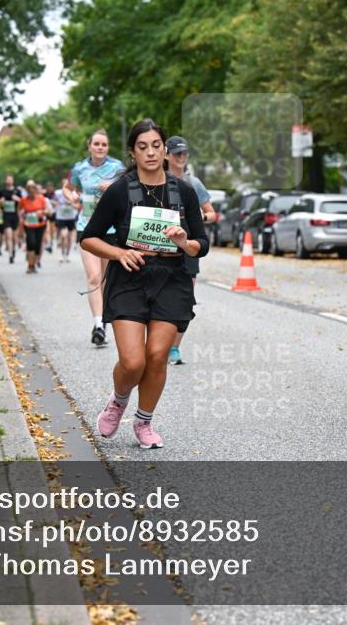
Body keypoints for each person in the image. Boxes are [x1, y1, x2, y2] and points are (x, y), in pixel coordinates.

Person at [81, 119, 209, 449]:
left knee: (157, 355)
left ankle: (144, 422)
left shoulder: (184, 191)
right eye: (142, 147)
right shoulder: (121, 190)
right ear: (133, 153)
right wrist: (119, 253)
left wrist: (183, 241)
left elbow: (201, 243)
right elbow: (89, 238)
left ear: (165, 150)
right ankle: (119, 400)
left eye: (156, 145)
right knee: (133, 360)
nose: (150, 152)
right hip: (130, 279)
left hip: (171, 280)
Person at [71, 129, 126, 346]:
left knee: (105, 279)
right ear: (89, 146)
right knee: (93, 277)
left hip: (110, 230)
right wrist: (72, 197)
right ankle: (98, 325)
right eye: (97, 144)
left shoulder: (117, 168)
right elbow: (68, 188)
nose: (100, 147)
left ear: (108, 147)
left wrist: (113, 186)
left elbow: (127, 186)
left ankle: (103, 319)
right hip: (86, 227)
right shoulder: (79, 168)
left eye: (104, 144)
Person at [164, 136, 216, 366]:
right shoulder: (158, 181)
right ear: (167, 155)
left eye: (184, 153)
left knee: (185, 301)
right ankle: (158, 344)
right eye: (177, 153)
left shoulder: (193, 183)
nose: (181, 157)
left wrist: (196, 217)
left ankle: (174, 347)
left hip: (189, 247)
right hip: (161, 247)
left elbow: (212, 213)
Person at [19, 182, 48, 273]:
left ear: (36, 191)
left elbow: (47, 210)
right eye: (29, 191)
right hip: (28, 224)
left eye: (33, 191)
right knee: (31, 242)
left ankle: (34, 265)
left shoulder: (42, 199)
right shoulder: (23, 200)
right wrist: (22, 216)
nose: (31, 193)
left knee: (37, 245)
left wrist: (41, 212)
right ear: (27, 192)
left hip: (40, 224)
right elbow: (19, 211)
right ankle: (30, 265)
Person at [53, 175, 80, 263]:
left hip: (71, 217)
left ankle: (67, 254)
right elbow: (53, 201)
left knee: (69, 237)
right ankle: (62, 254)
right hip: (61, 217)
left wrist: (71, 203)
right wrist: (56, 204)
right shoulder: (57, 192)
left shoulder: (74, 193)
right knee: (63, 235)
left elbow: (78, 205)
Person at [0, 175, 21, 264]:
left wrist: (18, 199)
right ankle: (10, 255)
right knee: (9, 235)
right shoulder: (2, 192)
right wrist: (1, 203)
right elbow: (0, 205)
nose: (9, 181)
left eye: (10, 179)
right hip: (6, 216)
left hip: (15, 216)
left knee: (14, 237)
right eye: (7, 179)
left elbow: (23, 202)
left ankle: (14, 249)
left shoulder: (17, 191)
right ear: (5, 181)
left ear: (13, 181)